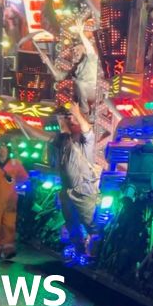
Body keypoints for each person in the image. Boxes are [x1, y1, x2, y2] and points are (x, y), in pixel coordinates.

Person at [53, 103, 102, 258]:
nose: (70, 121)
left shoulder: (85, 143)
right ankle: (80, 251)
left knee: (91, 225)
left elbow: (87, 130)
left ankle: (95, 256)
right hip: (67, 191)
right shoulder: (64, 143)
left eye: (72, 118)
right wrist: (62, 119)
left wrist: (77, 113)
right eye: (68, 118)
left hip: (83, 190)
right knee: (71, 223)